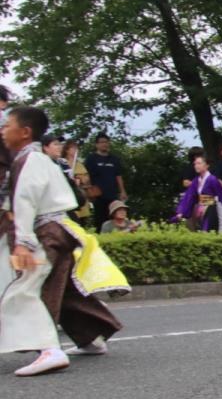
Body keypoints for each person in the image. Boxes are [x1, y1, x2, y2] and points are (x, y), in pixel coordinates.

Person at [0, 107, 127, 375]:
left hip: (46, 231)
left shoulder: (30, 160)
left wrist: (22, 242)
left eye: (7, 125)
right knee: (65, 289)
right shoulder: (37, 158)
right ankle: (91, 338)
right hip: (59, 229)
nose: (2, 129)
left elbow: (25, 200)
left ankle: (49, 349)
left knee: (25, 289)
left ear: (24, 132)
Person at [173, 154, 222, 232]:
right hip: (200, 208)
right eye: (195, 164)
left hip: (212, 209)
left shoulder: (212, 179)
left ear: (206, 165)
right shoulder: (196, 180)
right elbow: (189, 196)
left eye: (199, 163)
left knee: (207, 230)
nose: (196, 166)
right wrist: (181, 212)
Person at [84, 132, 127, 232]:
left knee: (115, 219)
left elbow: (118, 176)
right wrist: (88, 192)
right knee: (100, 220)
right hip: (98, 196)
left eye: (106, 142)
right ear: (97, 144)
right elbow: (86, 176)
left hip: (113, 195)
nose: (104, 144)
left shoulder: (114, 159)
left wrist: (122, 191)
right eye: (102, 142)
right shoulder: (91, 159)